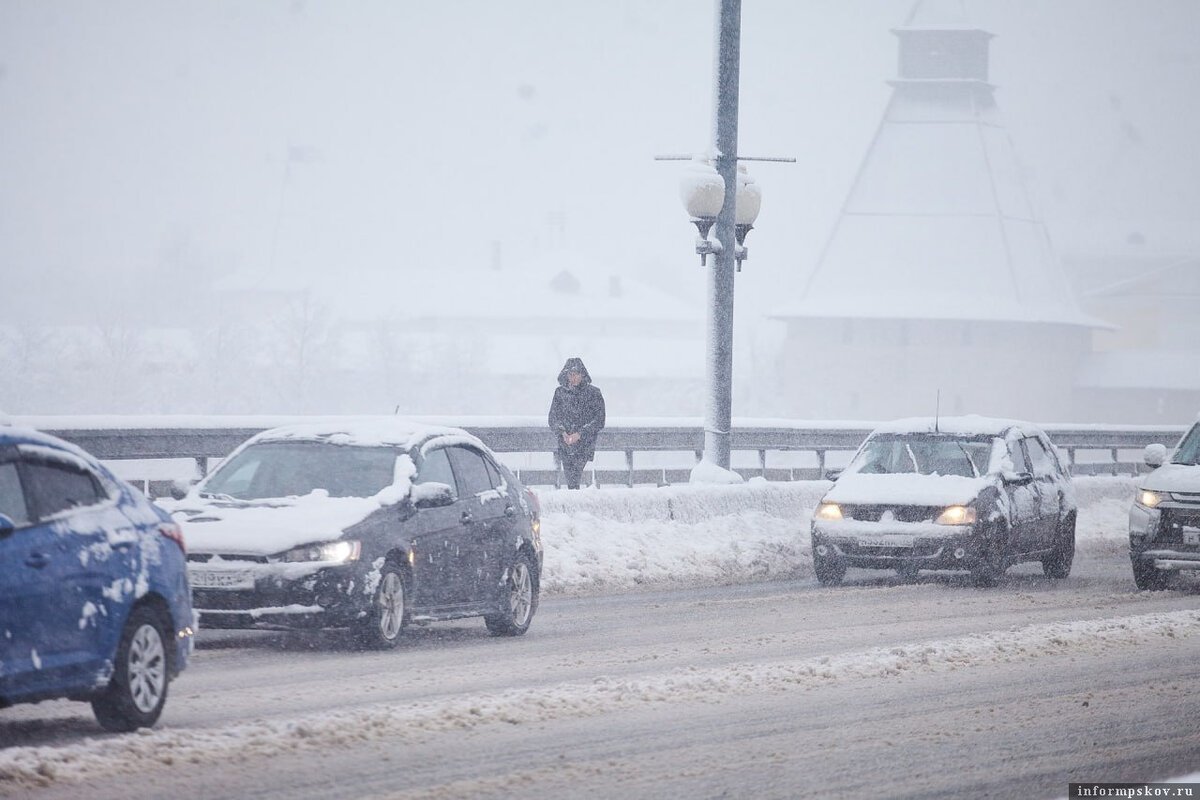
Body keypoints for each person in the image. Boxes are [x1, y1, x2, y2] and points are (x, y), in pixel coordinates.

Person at [547, 357, 606, 489]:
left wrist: (580, 434)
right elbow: (552, 417)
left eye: (576, 374)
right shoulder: (560, 393)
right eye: (570, 375)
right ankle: (574, 501)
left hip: (585, 444)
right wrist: (562, 432)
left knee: (576, 476)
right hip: (565, 443)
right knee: (571, 478)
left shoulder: (593, 393)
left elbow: (599, 419)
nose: (573, 378)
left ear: (582, 374)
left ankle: (576, 501)